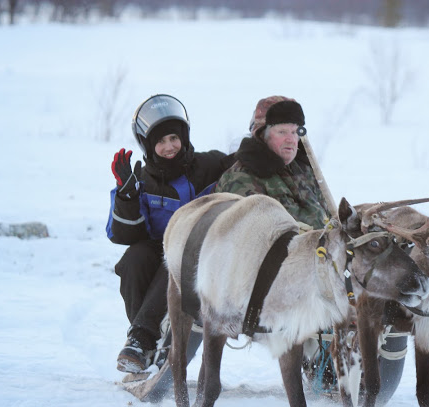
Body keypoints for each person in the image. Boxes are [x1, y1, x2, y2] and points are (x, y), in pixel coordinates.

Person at [106, 94, 234, 373]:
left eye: (173, 138)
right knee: (133, 260)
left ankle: (143, 337)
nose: (169, 147)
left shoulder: (210, 165)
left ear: (184, 136)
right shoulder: (140, 179)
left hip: (205, 253)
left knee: (175, 257)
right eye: (160, 142)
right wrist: (127, 195)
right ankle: (143, 339)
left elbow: (243, 167)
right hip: (159, 247)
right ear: (148, 146)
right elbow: (122, 235)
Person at [217, 95, 331, 230]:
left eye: (294, 132)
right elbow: (250, 238)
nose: (291, 140)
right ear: (261, 135)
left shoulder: (305, 172)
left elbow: (330, 220)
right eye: (282, 132)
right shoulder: (241, 178)